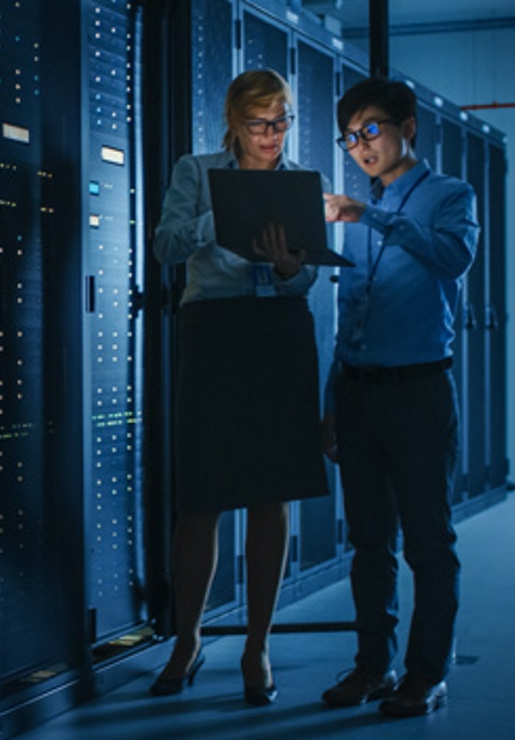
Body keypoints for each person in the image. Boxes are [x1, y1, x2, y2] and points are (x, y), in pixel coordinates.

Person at [150, 69, 330, 706]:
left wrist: (287, 268)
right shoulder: (196, 171)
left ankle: (258, 645)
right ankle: (187, 639)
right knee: (201, 496)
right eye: (260, 124)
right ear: (233, 123)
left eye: (281, 122)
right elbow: (165, 246)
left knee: (270, 494)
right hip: (215, 333)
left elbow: (307, 279)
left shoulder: (304, 183)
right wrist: (219, 218)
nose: (272, 135)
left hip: (278, 331)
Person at [320, 77, 478, 717]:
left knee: (428, 544)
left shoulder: (450, 195)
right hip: (359, 395)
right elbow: (351, 313)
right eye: (350, 137)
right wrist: (332, 398)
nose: (361, 146)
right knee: (368, 544)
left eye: (371, 130)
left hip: (419, 392)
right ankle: (372, 666)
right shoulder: (355, 214)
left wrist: (372, 216)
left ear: (408, 127)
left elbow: (453, 258)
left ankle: (426, 674)